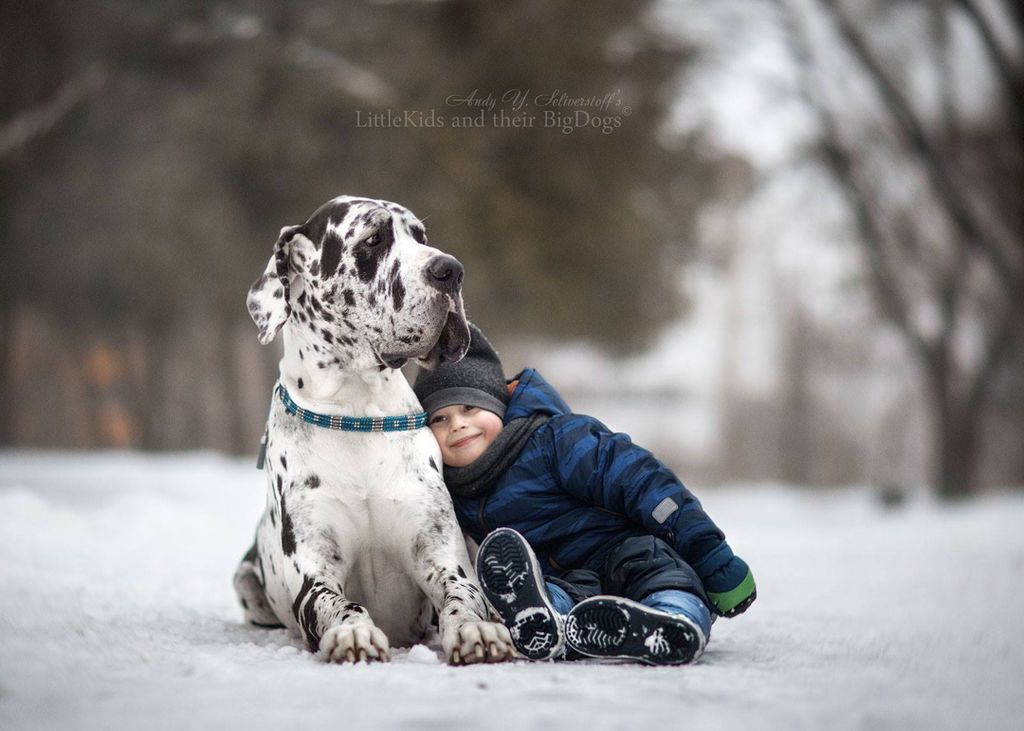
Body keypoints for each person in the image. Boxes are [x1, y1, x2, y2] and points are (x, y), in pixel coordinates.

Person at [413, 323, 756, 664]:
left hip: (627, 548)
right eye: (439, 419)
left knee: (667, 578)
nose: (457, 424)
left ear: (499, 403)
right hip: (567, 581)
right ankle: (548, 623)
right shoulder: (449, 491)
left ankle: (672, 623)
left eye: (470, 408)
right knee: (555, 593)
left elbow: (647, 486)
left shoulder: (557, 440)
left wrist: (713, 559)